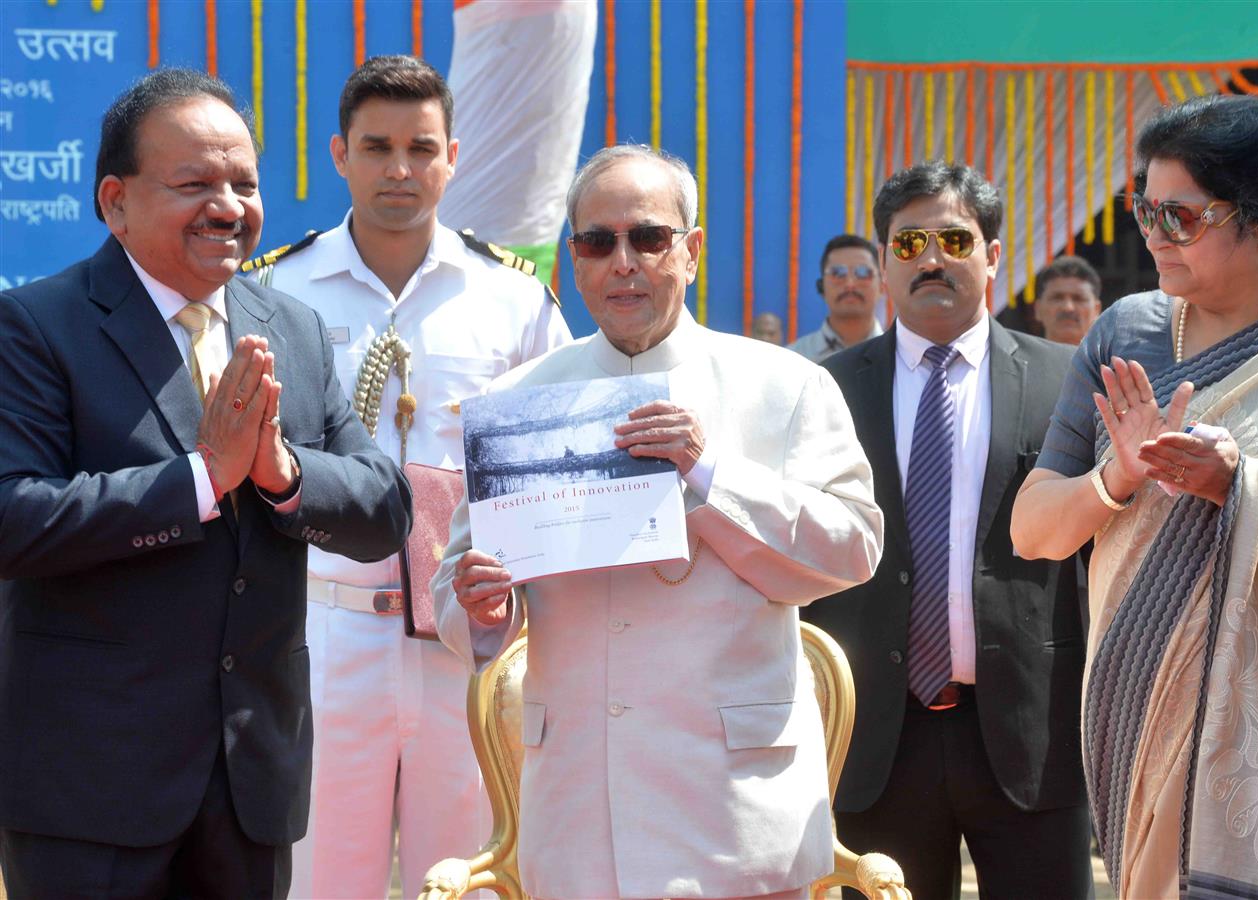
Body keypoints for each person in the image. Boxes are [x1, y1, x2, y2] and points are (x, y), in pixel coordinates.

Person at [0, 68, 413, 899]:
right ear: (116, 201)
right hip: (91, 788)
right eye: (195, 184)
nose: (227, 207)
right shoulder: (38, 326)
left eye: (244, 184)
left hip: (250, 783)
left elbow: (385, 509)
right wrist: (200, 479)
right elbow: (15, 519)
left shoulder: (287, 326)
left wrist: (284, 476)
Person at [432, 144, 883, 900]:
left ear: (692, 251)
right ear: (574, 260)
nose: (623, 262)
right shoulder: (518, 401)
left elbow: (854, 548)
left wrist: (709, 474)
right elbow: (458, 590)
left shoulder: (785, 384)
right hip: (580, 804)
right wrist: (480, 607)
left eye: (648, 237)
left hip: (735, 807)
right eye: (597, 242)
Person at [248, 55, 572, 900]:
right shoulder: (275, 289)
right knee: (318, 878)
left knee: (465, 876)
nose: (400, 169)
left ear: (452, 157)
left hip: (469, 636)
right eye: (377, 146)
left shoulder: (514, 299)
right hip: (323, 630)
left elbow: (555, 468)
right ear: (339, 154)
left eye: (421, 148)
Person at [1010, 94, 1258, 899]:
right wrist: (1117, 478)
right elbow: (1032, 531)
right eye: (1145, 209)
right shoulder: (1124, 333)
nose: (1154, 235)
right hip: (1131, 711)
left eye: (1181, 217)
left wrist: (1244, 488)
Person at [803, 161, 1092, 900]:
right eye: (909, 244)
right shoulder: (826, 389)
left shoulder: (1064, 380)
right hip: (876, 741)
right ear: (884, 262)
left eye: (954, 240)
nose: (931, 259)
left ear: (992, 257)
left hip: (1032, 732)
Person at [788, 233, 884, 362]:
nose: (850, 284)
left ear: (882, 286)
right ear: (821, 286)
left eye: (863, 273)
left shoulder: (899, 356)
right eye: (837, 273)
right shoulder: (793, 360)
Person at [1032, 255, 1102, 345]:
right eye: (1057, 298)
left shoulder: (1114, 354)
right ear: (1038, 309)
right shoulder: (1018, 354)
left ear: (1096, 310)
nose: (1068, 308)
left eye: (1079, 299)